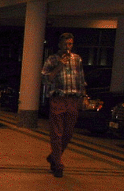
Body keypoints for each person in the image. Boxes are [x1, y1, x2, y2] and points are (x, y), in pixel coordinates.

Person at [40, 33, 87, 177]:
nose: (68, 47)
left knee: (68, 133)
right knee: (57, 133)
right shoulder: (52, 60)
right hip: (58, 99)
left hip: (72, 99)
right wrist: (59, 66)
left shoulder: (77, 59)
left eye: (70, 44)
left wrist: (84, 97)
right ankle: (58, 165)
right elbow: (45, 79)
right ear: (60, 45)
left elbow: (81, 79)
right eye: (65, 44)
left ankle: (54, 156)